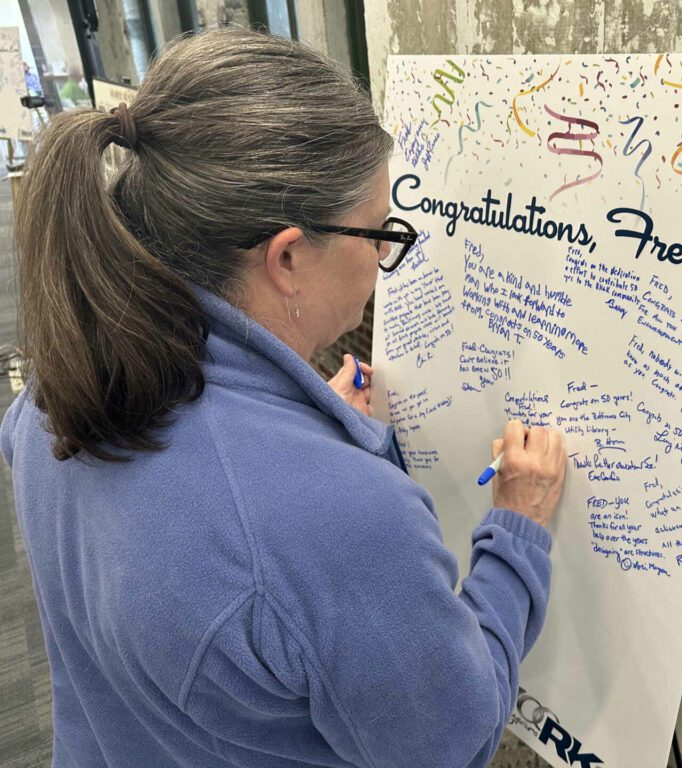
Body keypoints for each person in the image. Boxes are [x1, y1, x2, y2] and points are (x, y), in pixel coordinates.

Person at [1, 27, 566, 767]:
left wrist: (296, 430)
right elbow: (451, 744)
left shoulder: (55, 389)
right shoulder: (344, 519)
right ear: (289, 255)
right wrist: (517, 532)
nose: (383, 261)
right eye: (380, 233)